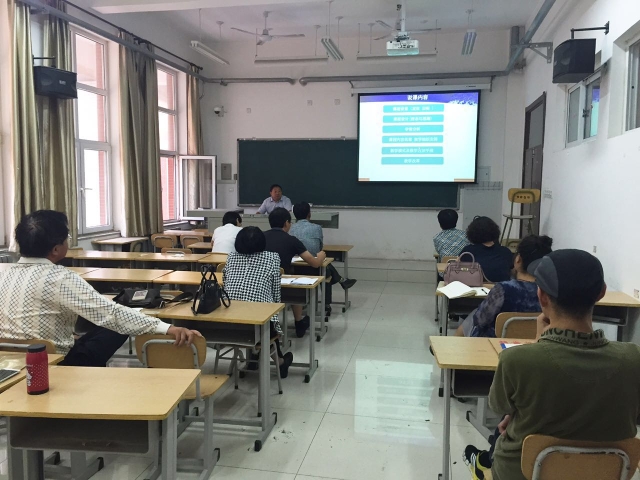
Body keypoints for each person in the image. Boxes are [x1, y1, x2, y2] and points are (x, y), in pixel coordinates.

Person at [464, 249, 640, 480]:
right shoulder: (633, 358)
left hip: (522, 473)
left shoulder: (517, 360)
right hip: (607, 473)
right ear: (601, 293)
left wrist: (539, 344)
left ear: (542, 297)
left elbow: (498, 406)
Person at [0, 210, 200, 367]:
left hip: (9, 360)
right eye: (67, 237)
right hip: (56, 363)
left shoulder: (4, 273)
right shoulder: (60, 278)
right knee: (117, 323)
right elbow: (111, 314)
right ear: (56, 249)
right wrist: (167, 327)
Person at [223, 227, 293, 378]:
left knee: (252, 317)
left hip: (229, 323)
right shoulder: (272, 257)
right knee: (265, 323)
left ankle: (253, 358)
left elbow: (225, 284)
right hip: (258, 325)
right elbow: (275, 292)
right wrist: (275, 313)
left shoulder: (231, 257)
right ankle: (279, 362)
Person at [455, 234, 553, 338]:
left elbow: (480, 320)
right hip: (537, 341)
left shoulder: (504, 289)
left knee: (473, 316)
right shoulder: (550, 292)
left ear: (518, 259)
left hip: (496, 342)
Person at [264, 207, 326, 338]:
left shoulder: (260, 237)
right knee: (295, 285)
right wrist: (321, 256)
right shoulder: (291, 240)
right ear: (286, 223)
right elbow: (314, 263)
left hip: (262, 285)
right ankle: (298, 322)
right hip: (282, 286)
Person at [289, 202, 356, 315]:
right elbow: (319, 248)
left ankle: (341, 281)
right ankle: (327, 303)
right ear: (309, 214)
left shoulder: (290, 229)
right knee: (325, 270)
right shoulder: (317, 228)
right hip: (314, 267)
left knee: (325, 266)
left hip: (295, 268)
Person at [460, 216, 513, 283]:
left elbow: (458, 270)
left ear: (472, 233)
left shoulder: (468, 251)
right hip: (503, 288)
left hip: (475, 288)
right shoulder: (505, 252)